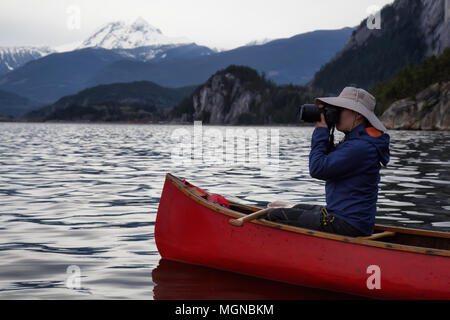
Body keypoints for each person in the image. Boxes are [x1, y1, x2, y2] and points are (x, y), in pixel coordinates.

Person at [266, 87, 390, 236]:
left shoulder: (360, 147)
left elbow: (317, 168)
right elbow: (331, 162)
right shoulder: (357, 141)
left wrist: (321, 130)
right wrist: (328, 129)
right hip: (349, 219)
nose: (336, 113)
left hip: (347, 224)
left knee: (276, 215)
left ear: (357, 115)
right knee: (288, 206)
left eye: (341, 109)